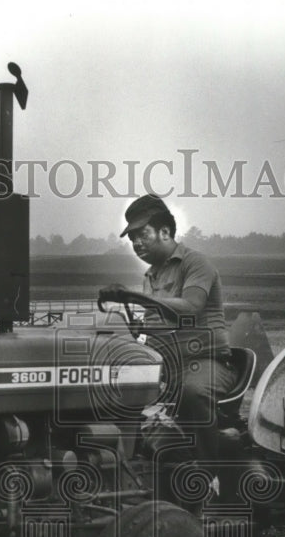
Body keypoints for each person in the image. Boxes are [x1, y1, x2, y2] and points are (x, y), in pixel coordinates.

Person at [100, 194, 237, 493]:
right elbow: (155, 325)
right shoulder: (151, 275)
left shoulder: (196, 263)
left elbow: (190, 307)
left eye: (142, 234)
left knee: (193, 391)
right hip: (168, 365)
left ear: (165, 231)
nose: (136, 243)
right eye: (132, 237)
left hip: (207, 362)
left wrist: (136, 297)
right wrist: (133, 326)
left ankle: (209, 476)